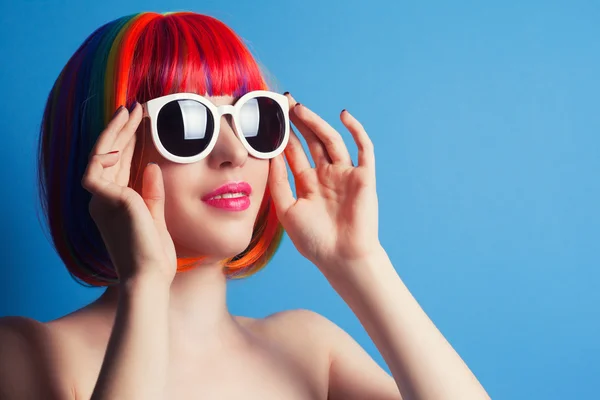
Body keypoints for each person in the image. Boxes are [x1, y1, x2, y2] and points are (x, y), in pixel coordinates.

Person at [0, 11, 490, 400]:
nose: (235, 152)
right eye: (184, 125)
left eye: (254, 118)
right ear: (103, 153)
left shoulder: (308, 349)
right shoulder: (24, 355)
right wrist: (145, 283)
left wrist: (359, 263)